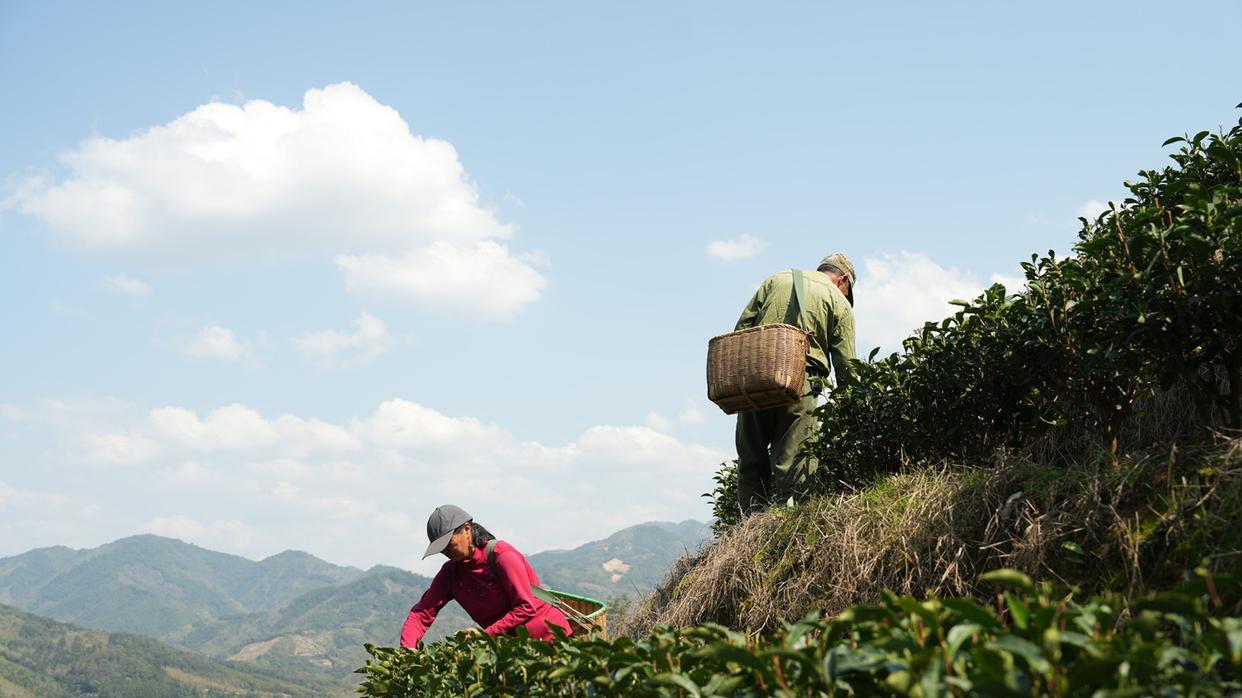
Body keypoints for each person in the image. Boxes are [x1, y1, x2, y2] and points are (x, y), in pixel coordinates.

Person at [733, 252, 858, 513]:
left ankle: (749, 530)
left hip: (757, 377)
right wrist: (854, 409)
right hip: (802, 382)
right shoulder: (838, 301)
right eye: (848, 292)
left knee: (751, 460)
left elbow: (741, 329)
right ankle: (791, 528)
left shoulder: (775, 280)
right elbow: (847, 365)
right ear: (843, 280)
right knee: (795, 462)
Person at [399, 504, 572, 647]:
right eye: (440, 548)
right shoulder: (450, 574)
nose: (445, 551)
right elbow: (421, 613)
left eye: (448, 544)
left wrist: (484, 634)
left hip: (550, 640)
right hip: (511, 649)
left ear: (467, 529)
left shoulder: (501, 555)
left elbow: (525, 607)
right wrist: (408, 650)